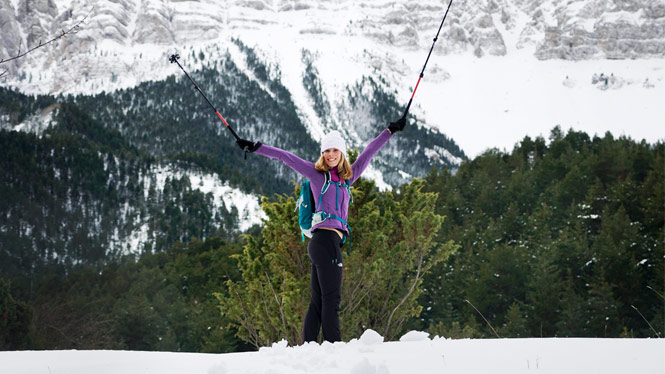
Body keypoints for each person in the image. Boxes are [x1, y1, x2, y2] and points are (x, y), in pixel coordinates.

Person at [235, 117, 406, 343]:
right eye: (326, 150)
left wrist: (390, 131)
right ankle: (334, 349)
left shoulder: (348, 178)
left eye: (335, 150)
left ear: (342, 153)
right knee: (331, 301)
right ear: (322, 153)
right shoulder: (317, 175)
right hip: (324, 241)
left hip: (323, 244)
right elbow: (286, 157)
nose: (330, 154)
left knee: (318, 302)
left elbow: (368, 153)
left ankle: (308, 348)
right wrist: (256, 148)